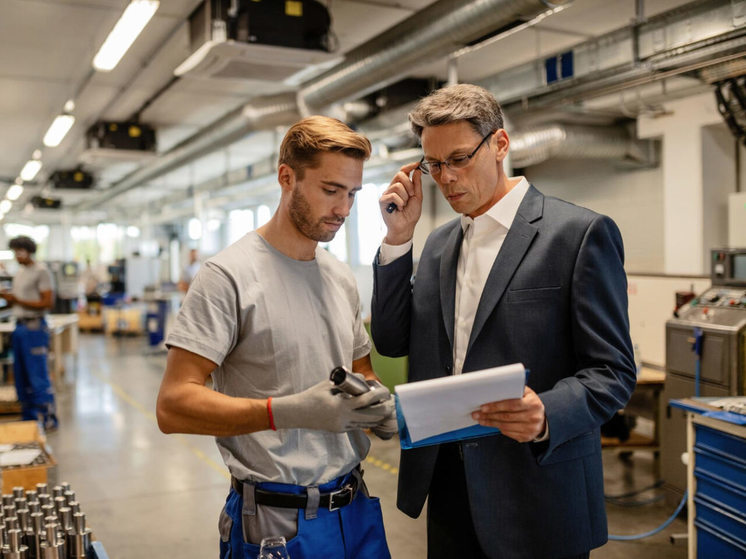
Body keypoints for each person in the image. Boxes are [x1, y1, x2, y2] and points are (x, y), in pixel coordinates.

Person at [371, 84, 637, 559]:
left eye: (459, 159)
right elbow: (391, 342)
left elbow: (613, 372)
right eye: (433, 166)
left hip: (536, 486)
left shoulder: (577, 235)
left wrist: (546, 415)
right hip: (449, 483)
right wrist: (397, 239)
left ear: (499, 144)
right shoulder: (436, 245)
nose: (446, 178)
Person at [156, 115, 396, 559]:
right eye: (330, 190)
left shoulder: (340, 278)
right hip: (276, 522)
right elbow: (173, 406)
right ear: (287, 177)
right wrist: (286, 412)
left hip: (355, 508)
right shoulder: (227, 277)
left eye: (352, 194)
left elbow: (362, 372)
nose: (343, 209)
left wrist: (376, 406)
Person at [0, 236, 58, 430]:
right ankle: (30, 420)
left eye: (19, 251)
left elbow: (47, 302)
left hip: (35, 328)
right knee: (22, 377)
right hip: (20, 328)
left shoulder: (41, 272)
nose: (17, 255)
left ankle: (48, 419)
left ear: (28, 251)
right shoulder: (20, 273)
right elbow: (17, 301)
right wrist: (7, 298)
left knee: (37, 377)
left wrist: (16, 300)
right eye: (14, 251)